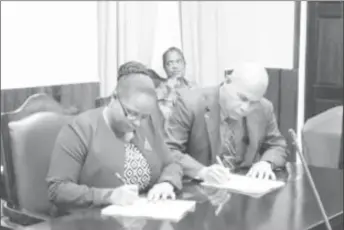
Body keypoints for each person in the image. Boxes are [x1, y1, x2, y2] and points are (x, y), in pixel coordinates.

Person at [46, 61, 183, 215]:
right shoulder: (79, 130)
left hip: (140, 218)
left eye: (143, 116)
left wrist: (167, 183)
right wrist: (109, 196)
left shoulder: (147, 125)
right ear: (114, 98)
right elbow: (57, 189)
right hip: (90, 221)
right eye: (131, 113)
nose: (137, 123)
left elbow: (172, 163)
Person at [165, 62, 288, 183]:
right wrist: (201, 171)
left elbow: (277, 145)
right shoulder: (190, 103)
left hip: (245, 190)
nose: (245, 108)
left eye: (253, 102)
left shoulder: (264, 108)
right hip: (202, 189)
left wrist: (266, 163)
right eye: (242, 98)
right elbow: (169, 150)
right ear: (227, 81)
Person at [156, 47, 196, 122]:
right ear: (164, 68)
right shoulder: (159, 92)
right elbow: (163, 120)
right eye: (169, 63)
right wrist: (170, 94)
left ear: (184, 64)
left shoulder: (193, 86)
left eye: (178, 62)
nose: (175, 66)